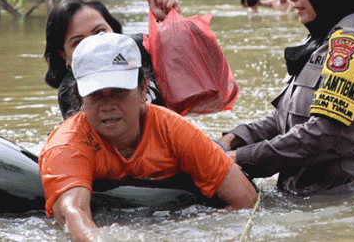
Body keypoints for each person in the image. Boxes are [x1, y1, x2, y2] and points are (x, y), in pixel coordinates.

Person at [39, 33, 258, 241]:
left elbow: (245, 200)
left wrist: (177, 232)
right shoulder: (66, 145)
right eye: (96, 95)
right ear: (79, 96)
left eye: (118, 91)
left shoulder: (175, 131)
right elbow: (73, 211)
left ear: (143, 89)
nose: (108, 106)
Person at [219, 0, 354, 196]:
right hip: (299, 192)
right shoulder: (314, 43)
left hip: (334, 197)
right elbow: (284, 119)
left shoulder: (349, 49)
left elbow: (320, 132)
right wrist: (235, 138)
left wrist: (242, 158)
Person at [44, 0, 180, 120]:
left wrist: (173, 27)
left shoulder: (142, 48)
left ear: (115, 31)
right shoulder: (70, 91)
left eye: (99, 32)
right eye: (78, 42)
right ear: (64, 56)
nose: (95, 46)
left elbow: (190, 80)